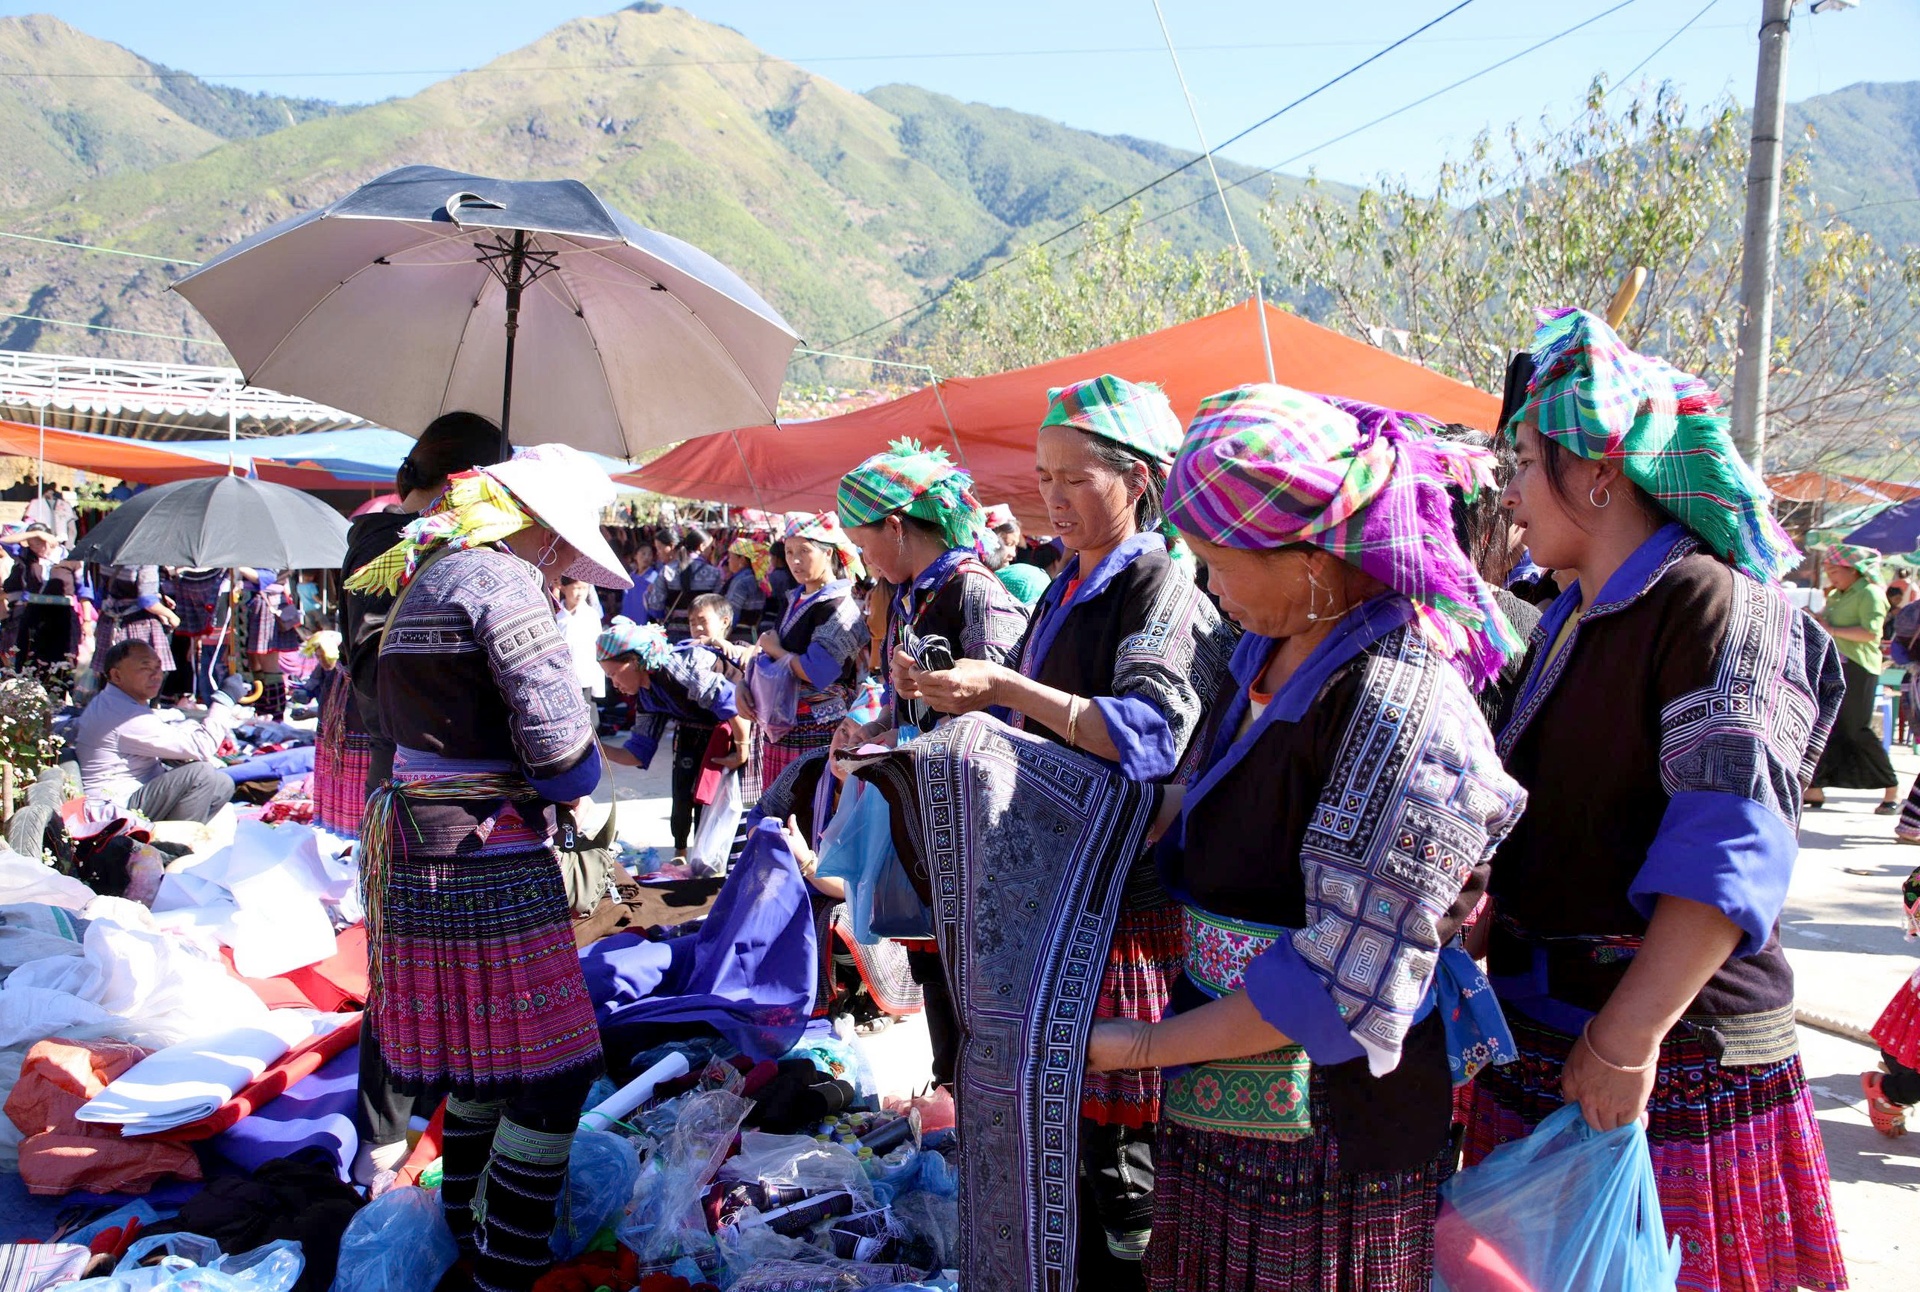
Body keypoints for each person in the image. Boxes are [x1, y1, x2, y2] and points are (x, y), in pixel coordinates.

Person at [1073, 383, 1525, 1292]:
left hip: (1324, 1133)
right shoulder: (1266, 649)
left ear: (1315, 558)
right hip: (1222, 1087)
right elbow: (1243, 807)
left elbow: (1344, 973)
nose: (1210, 588)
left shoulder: (1400, 708)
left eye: (1221, 564)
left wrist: (1142, 1048)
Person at [1463, 308, 1848, 1292]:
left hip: (1665, 1062)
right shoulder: (1567, 618)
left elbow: (1732, 840)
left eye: (1524, 462)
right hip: (1549, 1038)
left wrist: (1628, 1035)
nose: (1510, 492)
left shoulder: (1714, 606)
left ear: (1599, 473)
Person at [903, 375, 1236, 1281]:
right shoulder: (1066, 584)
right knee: (1069, 1126)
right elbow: (1031, 718)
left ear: (1137, 480)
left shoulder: (1161, 584)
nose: (1051, 497)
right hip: (1062, 892)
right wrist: (956, 693)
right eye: (1043, 477)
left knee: (1117, 1146)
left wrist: (1005, 687)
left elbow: (1149, 733)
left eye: (1074, 478)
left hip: (1121, 902)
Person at [344, 443, 627, 1292]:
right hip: (485, 851)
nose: (563, 564)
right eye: (563, 545)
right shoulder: (505, 584)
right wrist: (580, 784)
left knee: (480, 1059)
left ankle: (465, 1237)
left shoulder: (425, 573)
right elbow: (563, 753)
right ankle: (507, 1264)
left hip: (417, 841)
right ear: (546, 529)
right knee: (554, 1071)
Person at [336, 409, 504, 1192]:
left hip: (443, 787)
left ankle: (432, 1112)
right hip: (417, 785)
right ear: (464, 484)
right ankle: (383, 1138)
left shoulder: (448, 549)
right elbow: (381, 676)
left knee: (448, 962)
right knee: (408, 962)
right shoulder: (389, 548)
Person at [596, 617, 751, 862]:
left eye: (614, 674)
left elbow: (732, 705)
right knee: (690, 800)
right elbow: (637, 753)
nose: (614, 684)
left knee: (735, 810)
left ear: (635, 661)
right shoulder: (647, 696)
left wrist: (742, 750)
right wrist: (594, 746)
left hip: (745, 727)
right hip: (707, 734)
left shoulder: (677, 667)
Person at [752, 513, 870, 789]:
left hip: (820, 728)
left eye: (804, 551)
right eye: (789, 552)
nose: (795, 561)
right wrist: (746, 690)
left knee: (810, 803)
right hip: (783, 722)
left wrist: (774, 649)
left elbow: (816, 671)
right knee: (779, 802)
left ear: (828, 553)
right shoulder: (794, 598)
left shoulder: (839, 606)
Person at [74, 640, 246, 823]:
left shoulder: (115, 702)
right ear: (116, 675)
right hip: (116, 808)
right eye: (145, 667)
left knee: (222, 784)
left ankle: (180, 832)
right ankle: (176, 839)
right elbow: (202, 746)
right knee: (201, 774)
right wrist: (225, 699)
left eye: (158, 667)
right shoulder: (123, 715)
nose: (156, 675)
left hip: (138, 793)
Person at [1805, 542, 1898, 813]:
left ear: (1853, 570)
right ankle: (1815, 788)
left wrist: (1831, 628)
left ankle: (1891, 787)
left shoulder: (1870, 593)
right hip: (1833, 666)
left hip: (1858, 668)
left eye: (1835, 571)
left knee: (1856, 730)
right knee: (1826, 726)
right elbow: (1828, 625)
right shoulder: (1836, 594)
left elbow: (1871, 633)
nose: (1830, 577)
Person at [91, 565, 178, 681]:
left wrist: (159, 597)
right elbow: (147, 600)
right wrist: (171, 616)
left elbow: (101, 594)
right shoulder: (146, 562)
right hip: (138, 626)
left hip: (109, 623)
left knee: (113, 675)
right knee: (147, 675)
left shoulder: (106, 559)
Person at [164, 567, 230, 703]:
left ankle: (218, 702)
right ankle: (207, 701)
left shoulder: (227, 578)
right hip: (207, 634)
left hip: (223, 633)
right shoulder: (192, 581)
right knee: (205, 670)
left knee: (216, 670)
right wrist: (194, 643)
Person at [648, 525, 723, 639]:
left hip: (673, 632)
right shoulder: (714, 573)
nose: (712, 550)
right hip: (703, 632)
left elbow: (656, 606)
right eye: (711, 547)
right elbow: (718, 605)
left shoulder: (668, 570)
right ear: (702, 546)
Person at [557, 577, 605, 705]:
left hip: (584, 675)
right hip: (561, 677)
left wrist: (598, 687)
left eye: (584, 588)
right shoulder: (556, 615)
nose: (581, 593)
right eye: (577, 588)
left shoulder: (591, 615)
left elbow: (597, 650)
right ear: (564, 588)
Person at [722, 536, 771, 643]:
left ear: (742, 560)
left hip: (738, 637)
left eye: (731, 557)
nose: (728, 561)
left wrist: (723, 637)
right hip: (753, 635)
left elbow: (732, 612)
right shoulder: (758, 579)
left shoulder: (741, 581)